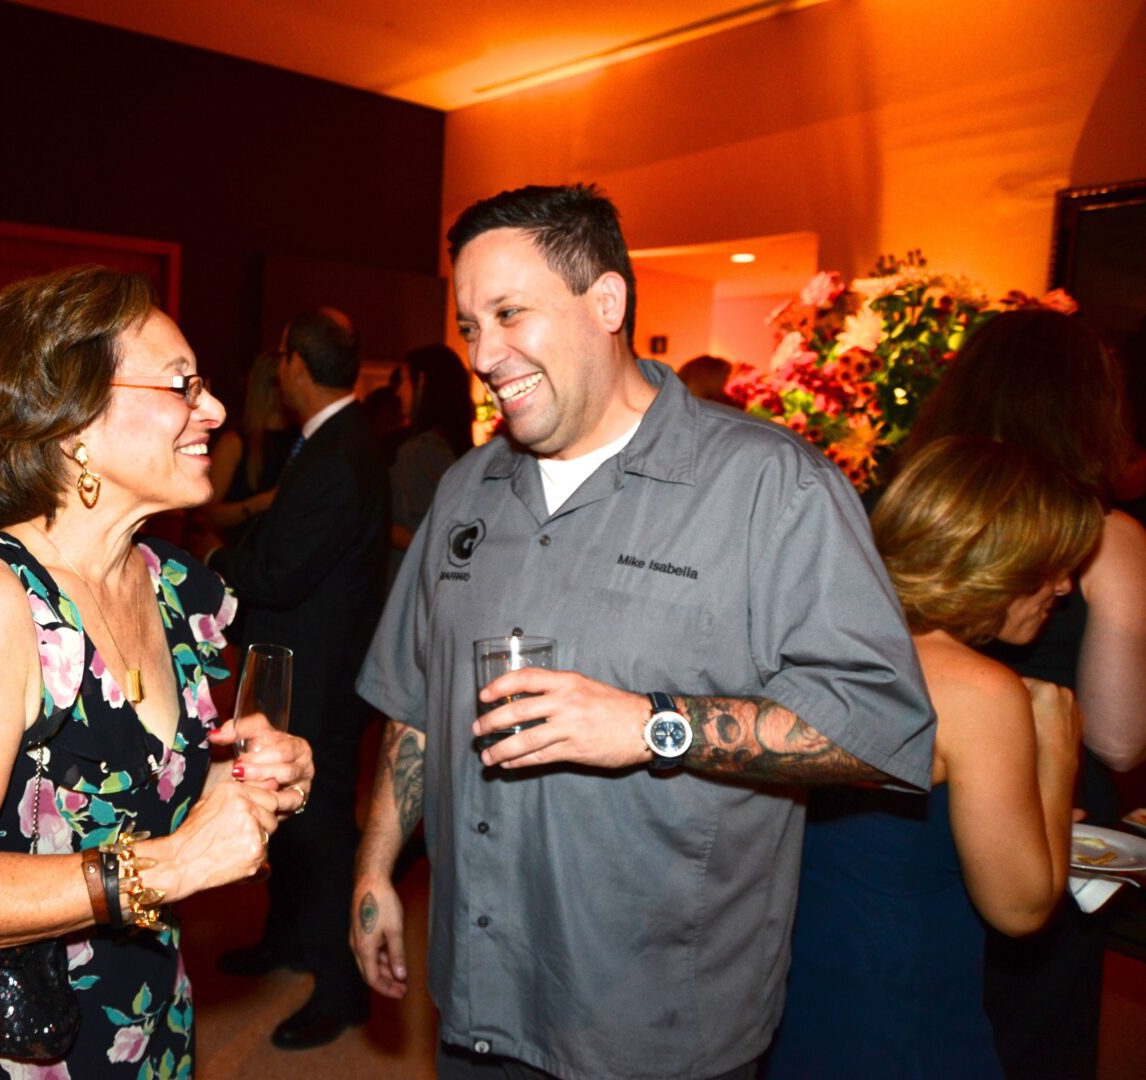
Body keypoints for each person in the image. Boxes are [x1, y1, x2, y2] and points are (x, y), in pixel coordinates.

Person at [351, 184, 934, 1080]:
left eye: (509, 314)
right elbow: (415, 701)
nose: (484, 354)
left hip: (654, 1028)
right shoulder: (466, 489)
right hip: (479, 1001)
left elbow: (880, 725)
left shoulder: (771, 489)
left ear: (607, 302)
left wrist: (650, 725)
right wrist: (376, 869)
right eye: (469, 326)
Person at [0, 265, 314, 1077]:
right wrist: (177, 865)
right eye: (182, 384)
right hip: (3, 1041)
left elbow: (146, 806)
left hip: (140, 1013)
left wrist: (243, 785)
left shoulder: (175, 586)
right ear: (71, 422)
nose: (215, 409)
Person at [768, 437, 1099, 1079]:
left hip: (791, 1001)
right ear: (995, 562)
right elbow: (1022, 908)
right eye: (1052, 564)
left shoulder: (815, 637)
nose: (1064, 586)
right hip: (903, 1020)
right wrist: (1058, 753)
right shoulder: (979, 690)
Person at [899, 307, 1146, 1078]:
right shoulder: (1109, 534)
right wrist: (1056, 750)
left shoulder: (901, 502)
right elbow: (1120, 738)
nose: (1061, 586)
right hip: (1040, 831)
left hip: (905, 824)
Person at [206, 308, 390, 1049]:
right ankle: (284, 940)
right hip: (304, 664)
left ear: (298, 367)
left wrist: (210, 566)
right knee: (285, 815)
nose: (276, 369)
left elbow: (280, 570)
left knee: (319, 832)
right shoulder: (331, 441)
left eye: (281, 357)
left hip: (319, 677)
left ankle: (341, 990)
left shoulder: (338, 453)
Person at [388, 343, 475, 580]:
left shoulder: (417, 453)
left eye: (403, 381)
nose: (398, 392)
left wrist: (381, 527)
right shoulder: (467, 454)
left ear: (422, 382)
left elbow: (425, 536)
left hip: (414, 581)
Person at [196, 348, 293, 543]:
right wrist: (261, 503)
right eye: (285, 380)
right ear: (267, 387)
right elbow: (208, 515)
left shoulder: (299, 439)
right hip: (236, 551)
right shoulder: (235, 442)